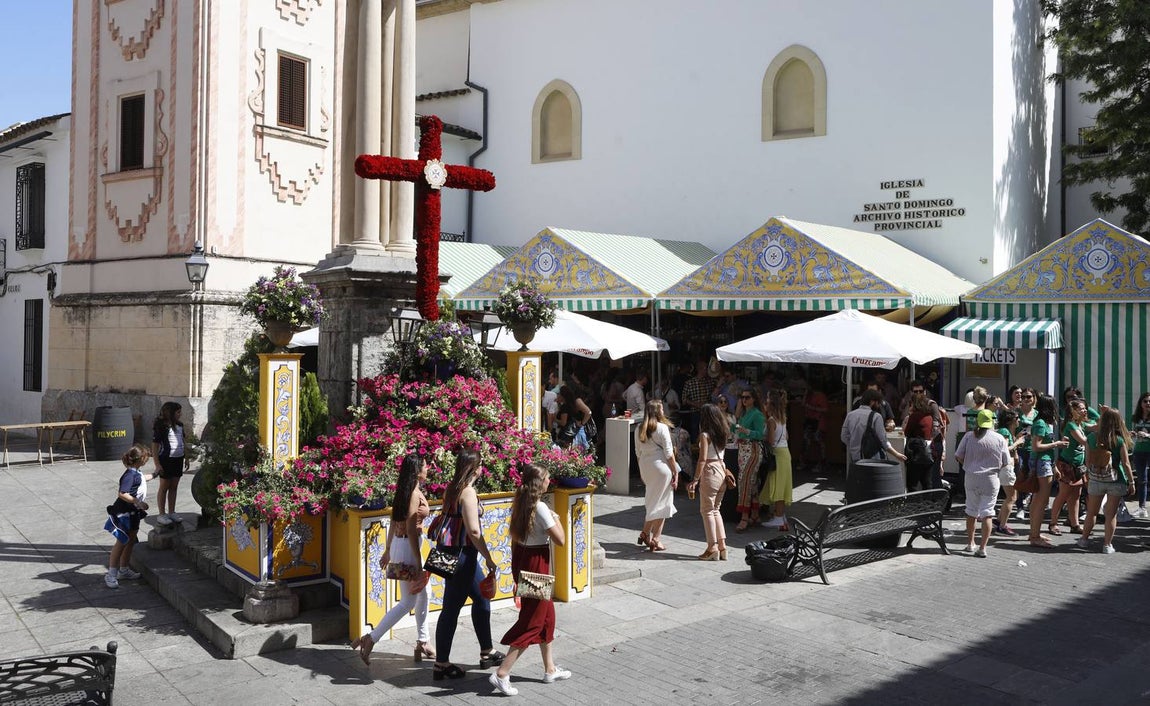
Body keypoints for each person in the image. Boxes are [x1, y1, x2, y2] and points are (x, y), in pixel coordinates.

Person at [488, 463, 571, 696]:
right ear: (539, 483)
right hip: (537, 566)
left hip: (526, 562)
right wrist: (556, 518)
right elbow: (561, 540)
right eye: (547, 478)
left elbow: (515, 542)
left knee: (547, 618)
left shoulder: (521, 503)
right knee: (533, 621)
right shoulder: (541, 507)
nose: (549, 481)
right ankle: (502, 673)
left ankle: (550, 669)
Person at [351, 454, 434, 665]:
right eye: (425, 466)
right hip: (408, 546)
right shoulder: (413, 494)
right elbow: (411, 530)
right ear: (417, 471)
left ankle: (423, 640)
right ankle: (371, 638)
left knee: (425, 593)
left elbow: (393, 520)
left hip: (400, 544)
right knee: (409, 601)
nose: (428, 469)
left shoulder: (405, 491)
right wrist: (419, 563)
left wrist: (389, 549)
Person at [433, 449, 503, 681]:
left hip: (448, 553)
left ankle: (487, 650)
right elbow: (474, 531)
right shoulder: (468, 492)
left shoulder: (451, 489)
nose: (483, 468)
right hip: (462, 557)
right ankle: (441, 664)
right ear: (475, 468)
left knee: (481, 599)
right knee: (450, 609)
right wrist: (489, 557)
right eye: (481, 464)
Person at [1078, 408, 1135, 554]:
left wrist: (1090, 475)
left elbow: (1088, 461)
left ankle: (1084, 540)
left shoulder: (1091, 438)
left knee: (1092, 512)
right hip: (1116, 480)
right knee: (1111, 515)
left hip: (1096, 479)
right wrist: (1131, 482)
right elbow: (1126, 463)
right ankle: (1107, 545)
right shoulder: (1119, 440)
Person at [955, 410, 1010, 557]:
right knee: (987, 513)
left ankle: (970, 543)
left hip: (971, 476)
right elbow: (1006, 461)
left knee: (971, 511)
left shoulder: (969, 436)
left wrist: (968, 464)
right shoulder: (999, 438)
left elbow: (958, 455)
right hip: (991, 479)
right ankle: (982, 548)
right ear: (992, 421)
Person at [104, 444, 155, 589]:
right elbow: (122, 493)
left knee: (131, 540)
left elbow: (143, 478)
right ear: (141, 459)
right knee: (121, 542)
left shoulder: (136, 472)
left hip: (133, 513)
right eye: (146, 457)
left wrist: (156, 474)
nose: (148, 459)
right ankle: (111, 574)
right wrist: (138, 502)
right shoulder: (129, 475)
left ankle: (124, 570)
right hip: (124, 513)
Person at [687, 404, 730, 561]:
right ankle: (722, 546)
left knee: (707, 511)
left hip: (710, 471)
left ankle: (712, 548)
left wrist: (695, 479)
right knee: (716, 509)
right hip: (722, 469)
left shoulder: (705, 435)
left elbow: (702, 459)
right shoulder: (723, 433)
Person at [635, 400, 678, 551]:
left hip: (646, 466)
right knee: (663, 503)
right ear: (659, 412)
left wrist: (642, 472)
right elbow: (669, 454)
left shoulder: (639, 428)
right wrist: (675, 472)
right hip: (661, 467)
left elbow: (638, 453)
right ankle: (656, 538)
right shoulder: (662, 428)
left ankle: (645, 533)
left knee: (653, 501)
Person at [1027, 393, 1069, 548]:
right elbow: (1036, 446)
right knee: (1041, 501)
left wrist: (1054, 466)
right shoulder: (1040, 423)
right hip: (1042, 462)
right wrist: (1057, 444)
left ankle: (1034, 533)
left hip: (1045, 462)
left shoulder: (1042, 422)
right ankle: (1035, 536)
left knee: (1038, 500)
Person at [1049, 398, 1088, 535]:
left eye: (1085, 408)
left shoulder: (1080, 425)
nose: (1085, 410)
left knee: (1076, 495)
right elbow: (1084, 441)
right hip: (1067, 465)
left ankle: (1075, 524)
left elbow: (1097, 424)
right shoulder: (1071, 425)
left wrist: (1103, 413)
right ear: (1073, 411)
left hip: (1078, 466)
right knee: (1063, 495)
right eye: (1081, 408)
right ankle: (1053, 523)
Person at [731, 387, 767, 532]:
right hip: (742, 450)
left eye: (747, 397)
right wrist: (735, 419)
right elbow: (735, 429)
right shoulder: (744, 414)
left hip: (753, 450)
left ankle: (744, 517)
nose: (744, 400)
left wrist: (747, 431)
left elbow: (761, 435)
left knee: (744, 481)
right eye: (742, 397)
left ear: (753, 399)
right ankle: (755, 514)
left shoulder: (757, 414)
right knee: (751, 482)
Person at [842, 389, 908, 465]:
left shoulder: (850, 415)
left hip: (855, 458)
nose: (879, 405)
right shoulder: (876, 416)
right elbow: (883, 441)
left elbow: (844, 436)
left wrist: (855, 445)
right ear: (872, 402)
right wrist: (896, 454)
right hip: (872, 458)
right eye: (878, 402)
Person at [151, 401, 189, 526]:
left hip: (178, 459)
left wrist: (186, 457)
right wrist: (157, 464)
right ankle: (161, 514)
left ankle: (172, 512)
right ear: (170, 413)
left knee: (174, 486)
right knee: (164, 487)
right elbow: (155, 446)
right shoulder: (162, 426)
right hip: (166, 460)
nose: (180, 414)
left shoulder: (180, 425)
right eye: (178, 412)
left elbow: (183, 441)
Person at [760, 388, 792, 530]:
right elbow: (787, 437)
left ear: (771, 405)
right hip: (785, 452)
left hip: (777, 454)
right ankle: (780, 514)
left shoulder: (771, 420)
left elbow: (771, 441)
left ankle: (778, 517)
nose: (765, 404)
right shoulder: (783, 418)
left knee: (778, 485)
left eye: (766, 402)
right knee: (782, 485)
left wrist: (763, 435)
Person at [992, 410, 1026, 536]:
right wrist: (1017, 442)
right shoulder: (1005, 432)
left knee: (1009, 497)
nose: (1019, 420)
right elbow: (1004, 449)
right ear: (1010, 420)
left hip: (1007, 467)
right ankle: (1002, 526)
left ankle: (999, 521)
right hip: (1006, 468)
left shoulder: (1007, 432)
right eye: (1017, 418)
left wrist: (1016, 439)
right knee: (1012, 497)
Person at [903, 385, 936, 492]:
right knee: (927, 483)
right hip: (928, 452)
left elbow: (907, 432)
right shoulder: (929, 416)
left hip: (916, 452)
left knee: (913, 484)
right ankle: (927, 501)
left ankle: (915, 502)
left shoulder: (915, 416)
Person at [1130, 392, 1150, 518]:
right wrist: (1133, 434)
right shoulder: (1136, 417)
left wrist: (1147, 435)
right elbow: (1136, 432)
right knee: (1142, 480)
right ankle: (1142, 508)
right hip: (1139, 451)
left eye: (1149, 401)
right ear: (1141, 403)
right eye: (1145, 401)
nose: (1148, 403)